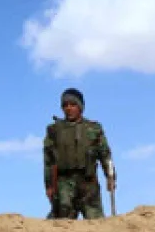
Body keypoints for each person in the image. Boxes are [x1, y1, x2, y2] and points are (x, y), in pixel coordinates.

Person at [43, 88, 114, 219]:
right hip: (64, 183)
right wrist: (49, 186)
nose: (68, 108)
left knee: (97, 223)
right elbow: (48, 160)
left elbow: (105, 155)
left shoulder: (94, 128)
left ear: (80, 107)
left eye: (73, 104)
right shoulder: (54, 130)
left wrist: (111, 177)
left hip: (88, 184)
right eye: (65, 105)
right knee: (61, 223)